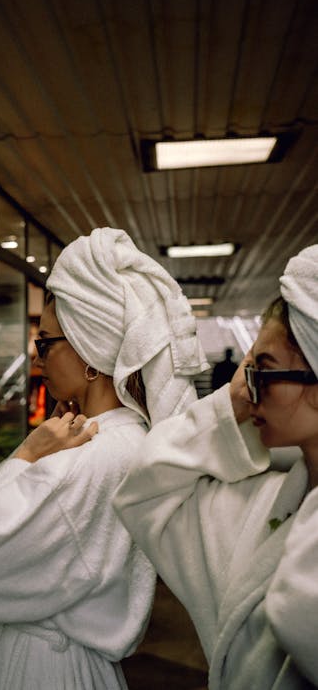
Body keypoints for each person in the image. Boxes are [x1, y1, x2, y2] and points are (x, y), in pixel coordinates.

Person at [0, 227, 208, 690]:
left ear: (90, 352)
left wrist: (27, 453)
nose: (37, 356)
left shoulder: (86, 456)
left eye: (46, 342)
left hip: (42, 669)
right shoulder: (133, 439)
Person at [112, 244, 318, 689]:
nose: (247, 389)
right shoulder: (271, 503)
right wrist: (230, 403)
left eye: (261, 371)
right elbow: (145, 491)